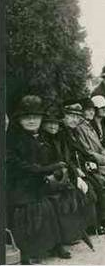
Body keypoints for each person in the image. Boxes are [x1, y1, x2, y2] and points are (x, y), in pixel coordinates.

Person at [6, 96, 80, 263]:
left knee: (63, 195)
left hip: (38, 181)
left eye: (36, 117)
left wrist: (56, 170)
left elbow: (52, 160)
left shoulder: (41, 138)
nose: (32, 120)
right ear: (19, 120)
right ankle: (30, 250)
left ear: (41, 119)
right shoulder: (12, 139)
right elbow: (20, 167)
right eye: (27, 117)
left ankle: (57, 242)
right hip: (19, 184)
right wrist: (47, 170)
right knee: (35, 206)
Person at [40, 106, 100, 237]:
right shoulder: (44, 140)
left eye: (55, 123)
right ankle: (75, 232)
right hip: (52, 176)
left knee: (89, 187)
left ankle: (89, 227)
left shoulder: (62, 136)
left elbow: (71, 156)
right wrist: (75, 173)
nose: (53, 126)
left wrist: (81, 167)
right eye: (49, 123)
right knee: (78, 191)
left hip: (66, 172)